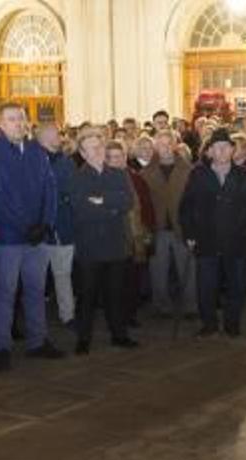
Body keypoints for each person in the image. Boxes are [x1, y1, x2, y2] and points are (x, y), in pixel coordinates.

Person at [0, 103, 64, 370]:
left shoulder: (36, 151)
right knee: (6, 292)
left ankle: (37, 341)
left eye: (21, 119)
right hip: (7, 237)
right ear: (1, 124)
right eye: (11, 119)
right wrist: (24, 227)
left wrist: (46, 223)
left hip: (37, 235)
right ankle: (1, 346)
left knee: (36, 289)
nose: (18, 123)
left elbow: (50, 189)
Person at [179, 128, 246, 337]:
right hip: (206, 240)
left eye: (226, 147)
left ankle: (232, 323)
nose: (222, 151)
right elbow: (186, 207)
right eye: (217, 147)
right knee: (206, 286)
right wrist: (190, 235)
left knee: (236, 286)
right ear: (209, 152)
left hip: (236, 242)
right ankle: (209, 324)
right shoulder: (198, 174)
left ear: (233, 150)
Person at [69, 133, 138, 355]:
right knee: (87, 296)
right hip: (89, 247)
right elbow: (81, 211)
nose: (98, 151)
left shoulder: (118, 173)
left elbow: (127, 202)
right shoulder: (77, 178)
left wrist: (102, 201)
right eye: (92, 148)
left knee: (115, 295)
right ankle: (83, 338)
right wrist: (111, 206)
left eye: (100, 146)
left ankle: (119, 335)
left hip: (115, 245)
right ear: (82, 153)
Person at [141, 129, 196, 319]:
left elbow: (194, 202)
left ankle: (190, 306)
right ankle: (161, 305)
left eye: (168, 143)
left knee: (187, 270)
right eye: (161, 144)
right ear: (155, 146)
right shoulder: (146, 172)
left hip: (182, 226)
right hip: (158, 228)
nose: (164, 148)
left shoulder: (188, 170)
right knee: (158, 270)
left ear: (174, 145)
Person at [106, 139, 154, 327]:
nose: (116, 161)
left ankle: (130, 314)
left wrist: (148, 231)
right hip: (112, 237)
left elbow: (147, 207)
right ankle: (115, 316)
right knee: (113, 281)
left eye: (120, 157)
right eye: (112, 158)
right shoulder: (102, 180)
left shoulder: (136, 178)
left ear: (126, 157)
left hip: (134, 236)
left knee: (132, 279)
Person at [36, 123, 77, 329]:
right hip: (39, 230)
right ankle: (36, 320)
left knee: (63, 274)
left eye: (58, 134)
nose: (58, 137)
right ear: (41, 137)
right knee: (37, 278)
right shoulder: (32, 161)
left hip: (64, 225)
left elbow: (72, 190)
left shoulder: (66, 161)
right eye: (53, 134)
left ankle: (67, 314)